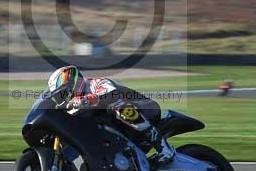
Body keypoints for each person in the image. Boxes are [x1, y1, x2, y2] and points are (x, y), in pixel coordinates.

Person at [46, 65, 175, 164]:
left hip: (145, 108)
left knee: (118, 107)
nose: (62, 98)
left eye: (63, 92)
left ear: (72, 84)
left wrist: (85, 99)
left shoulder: (94, 83)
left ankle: (165, 149)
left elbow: (111, 95)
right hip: (122, 130)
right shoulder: (72, 106)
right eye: (58, 96)